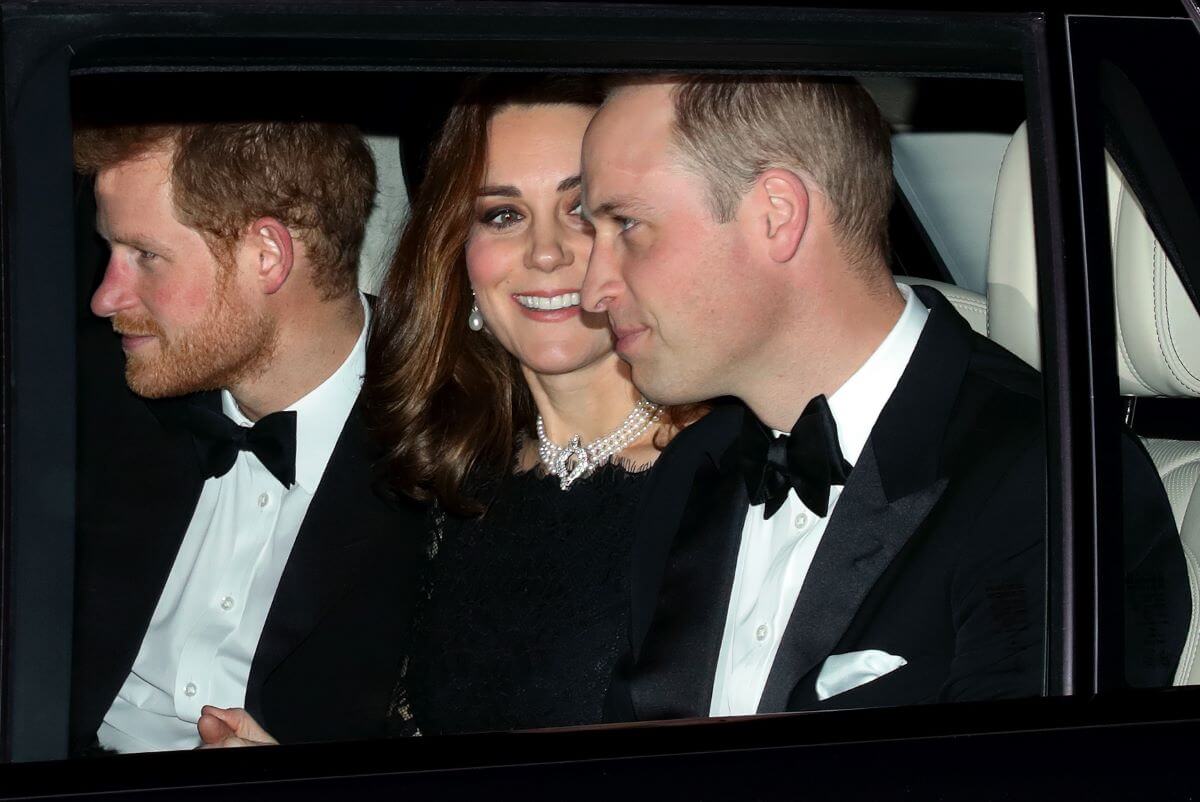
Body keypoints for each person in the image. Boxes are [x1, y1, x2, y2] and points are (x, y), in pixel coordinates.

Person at [578, 76, 1190, 720]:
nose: (592, 291)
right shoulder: (695, 467)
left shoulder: (1055, 482)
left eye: (626, 224)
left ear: (775, 216)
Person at [196, 75, 700, 747]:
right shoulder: (443, 479)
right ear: (457, 254)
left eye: (582, 211)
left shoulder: (729, 481)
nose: (545, 252)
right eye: (501, 214)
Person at [71, 121, 426, 754]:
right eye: (110, 253)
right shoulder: (84, 390)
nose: (104, 297)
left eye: (145, 256)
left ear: (267, 255)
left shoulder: (458, 440)